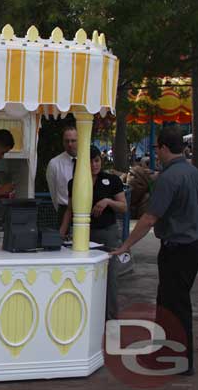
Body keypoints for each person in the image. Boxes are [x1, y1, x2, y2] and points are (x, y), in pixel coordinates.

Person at [111, 126, 198, 376]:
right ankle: (166, 353)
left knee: (173, 305)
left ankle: (178, 360)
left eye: (157, 149)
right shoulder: (191, 172)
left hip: (176, 249)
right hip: (191, 247)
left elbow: (149, 218)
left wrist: (126, 245)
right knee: (171, 302)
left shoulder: (170, 179)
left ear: (162, 147)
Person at [59, 145, 127, 320]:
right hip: (83, 233)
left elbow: (123, 206)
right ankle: (85, 315)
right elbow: (70, 209)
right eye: (90, 161)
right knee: (83, 273)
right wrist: (61, 233)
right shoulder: (74, 182)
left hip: (107, 232)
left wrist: (107, 201)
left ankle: (110, 317)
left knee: (110, 276)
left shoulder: (112, 180)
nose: (94, 165)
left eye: (96, 160)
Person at [46, 126, 78, 226]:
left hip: (85, 210)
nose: (70, 144)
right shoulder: (54, 163)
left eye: (73, 140)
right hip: (64, 210)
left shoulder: (88, 161)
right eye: (67, 141)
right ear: (62, 142)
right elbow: (53, 191)